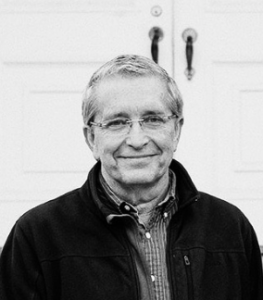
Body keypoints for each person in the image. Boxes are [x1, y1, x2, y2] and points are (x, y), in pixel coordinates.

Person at [0, 54, 262, 300]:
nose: (137, 140)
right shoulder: (38, 236)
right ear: (91, 138)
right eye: (116, 122)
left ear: (176, 130)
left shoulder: (230, 228)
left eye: (153, 119)